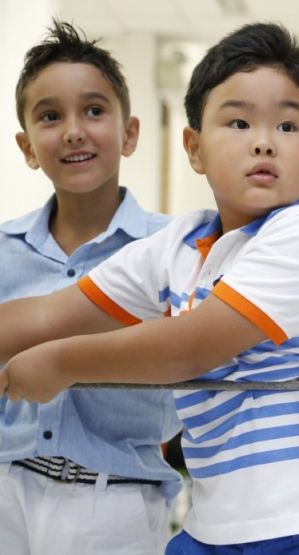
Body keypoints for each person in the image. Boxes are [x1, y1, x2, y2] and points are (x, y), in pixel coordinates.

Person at [0, 22, 299, 554]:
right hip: (213, 527)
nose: (264, 141)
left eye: (288, 127)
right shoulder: (178, 243)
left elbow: (189, 349)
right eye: (238, 121)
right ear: (194, 147)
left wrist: (60, 364)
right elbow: (49, 314)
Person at [0, 20, 182, 555]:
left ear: (130, 134)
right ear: (27, 146)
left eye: (94, 110)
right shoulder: (3, 250)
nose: (74, 130)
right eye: (50, 116)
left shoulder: (172, 248)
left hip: (116, 501)